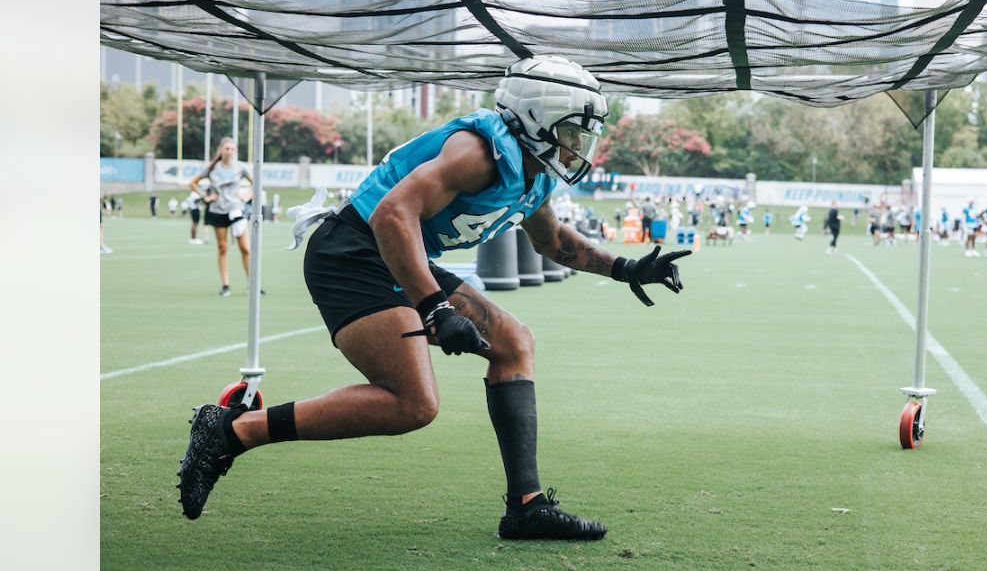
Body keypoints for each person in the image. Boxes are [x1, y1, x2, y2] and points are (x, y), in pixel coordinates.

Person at [178, 55, 690, 542]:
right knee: (412, 403)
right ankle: (234, 432)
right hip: (354, 251)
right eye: (572, 131)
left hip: (398, 254)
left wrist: (624, 268)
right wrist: (435, 308)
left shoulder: (530, 175)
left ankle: (527, 508)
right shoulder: (477, 153)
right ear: (538, 118)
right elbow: (390, 215)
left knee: (513, 343)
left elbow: (552, 241)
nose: (579, 145)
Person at [190, 138, 254, 296]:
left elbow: (256, 183)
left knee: (245, 248)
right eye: (227, 148)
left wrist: (246, 197)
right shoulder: (212, 168)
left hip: (236, 211)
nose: (230, 152)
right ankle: (225, 285)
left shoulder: (240, 167)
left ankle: (252, 284)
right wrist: (205, 196)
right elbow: (192, 183)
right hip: (218, 211)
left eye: (233, 149)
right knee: (222, 247)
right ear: (221, 149)